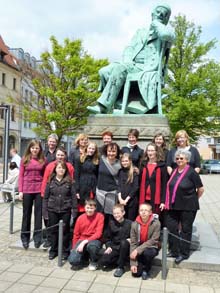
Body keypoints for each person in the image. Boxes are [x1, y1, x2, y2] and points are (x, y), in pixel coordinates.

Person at [88, 4, 174, 114]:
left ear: (167, 19)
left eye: (165, 14)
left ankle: (103, 107)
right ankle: (118, 103)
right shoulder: (140, 32)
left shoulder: (167, 33)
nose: (161, 14)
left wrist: (156, 23)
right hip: (132, 65)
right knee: (104, 71)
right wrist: (127, 61)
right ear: (152, 14)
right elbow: (129, 48)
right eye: (158, 12)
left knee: (119, 69)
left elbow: (166, 34)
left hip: (147, 69)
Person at [161, 149, 204, 264]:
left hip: (188, 206)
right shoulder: (175, 171)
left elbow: (200, 189)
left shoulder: (192, 172)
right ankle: (174, 250)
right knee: (171, 227)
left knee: (185, 230)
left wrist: (193, 199)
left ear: (187, 160)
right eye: (177, 158)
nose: (179, 160)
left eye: (182, 158)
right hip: (173, 205)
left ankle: (184, 253)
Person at [43, 161, 77, 260]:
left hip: (65, 210)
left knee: (65, 232)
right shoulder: (50, 181)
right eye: (59, 168)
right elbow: (45, 198)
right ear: (55, 169)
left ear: (65, 170)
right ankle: (53, 250)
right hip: (52, 209)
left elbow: (73, 197)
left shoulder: (69, 182)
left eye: (63, 168)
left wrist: (74, 211)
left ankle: (64, 251)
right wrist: (45, 212)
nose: (61, 170)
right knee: (53, 231)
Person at [41, 147, 74, 248]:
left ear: (65, 156)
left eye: (62, 155)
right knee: (51, 224)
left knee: (64, 228)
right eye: (58, 155)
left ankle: (63, 247)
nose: (60, 157)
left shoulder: (69, 166)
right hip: (52, 199)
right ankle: (51, 243)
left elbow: (71, 180)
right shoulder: (50, 166)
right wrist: (43, 194)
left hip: (64, 201)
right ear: (56, 155)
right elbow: (45, 180)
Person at [18, 139, 47, 249]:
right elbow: (21, 176)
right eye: (33, 147)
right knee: (26, 215)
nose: (35, 150)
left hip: (39, 190)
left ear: (40, 149)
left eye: (37, 148)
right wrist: (20, 191)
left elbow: (45, 176)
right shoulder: (24, 159)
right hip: (27, 189)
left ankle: (37, 238)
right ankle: (25, 237)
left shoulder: (43, 160)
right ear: (30, 148)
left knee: (38, 215)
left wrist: (44, 190)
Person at [68, 199, 104, 271]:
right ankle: (84, 258)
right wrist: (74, 247)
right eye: (87, 208)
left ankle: (94, 261)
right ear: (84, 208)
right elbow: (76, 234)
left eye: (91, 208)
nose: (89, 210)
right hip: (82, 239)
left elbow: (98, 233)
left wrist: (85, 242)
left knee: (92, 247)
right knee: (72, 260)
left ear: (95, 208)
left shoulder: (100, 216)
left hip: (94, 239)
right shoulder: (80, 218)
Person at [98, 204, 132, 277]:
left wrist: (131, 239)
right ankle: (120, 260)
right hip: (115, 247)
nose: (116, 215)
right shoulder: (111, 223)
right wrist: (109, 246)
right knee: (103, 261)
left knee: (124, 242)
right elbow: (107, 238)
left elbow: (135, 238)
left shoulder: (130, 223)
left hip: (126, 248)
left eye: (118, 213)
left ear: (123, 213)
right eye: (114, 213)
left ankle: (120, 267)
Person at [130, 203, 160, 280]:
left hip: (151, 247)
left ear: (150, 212)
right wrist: (133, 263)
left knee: (148, 253)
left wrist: (137, 250)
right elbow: (133, 243)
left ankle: (146, 269)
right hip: (139, 246)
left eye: (146, 210)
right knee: (136, 274)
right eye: (141, 210)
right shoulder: (134, 224)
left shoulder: (156, 223)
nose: (143, 212)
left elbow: (154, 240)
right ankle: (140, 264)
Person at [139, 143, 167, 215]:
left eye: (152, 150)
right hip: (143, 198)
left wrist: (163, 201)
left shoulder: (162, 166)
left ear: (156, 152)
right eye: (148, 151)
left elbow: (164, 185)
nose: (150, 153)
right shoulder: (143, 164)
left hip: (156, 200)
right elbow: (139, 182)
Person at [96, 142, 121, 216]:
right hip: (100, 192)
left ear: (117, 152)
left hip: (112, 193)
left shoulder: (120, 164)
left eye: (113, 151)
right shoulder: (101, 160)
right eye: (109, 151)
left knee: (110, 215)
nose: (111, 153)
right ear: (106, 151)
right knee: (99, 214)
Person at [75, 142, 99, 213]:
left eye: (93, 149)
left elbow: (97, 174)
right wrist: (77, 190)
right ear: (86, 148)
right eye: (90, 148)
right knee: (82, 207)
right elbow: (76, 174)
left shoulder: (97, 160)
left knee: (91, 206)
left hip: (92, 185)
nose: (91, 150)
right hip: (82, 185)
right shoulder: (79, 159)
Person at [118, 153, 139, 220]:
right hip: (121, 200)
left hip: (131, 201)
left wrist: (126, 200)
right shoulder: (120, 171)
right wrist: (120, 199)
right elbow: (119, 185)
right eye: (123, 161)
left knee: (130, 220)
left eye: (126, 161)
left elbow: (135, 187)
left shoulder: (134, 172)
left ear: (130, 161)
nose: (124, 163)